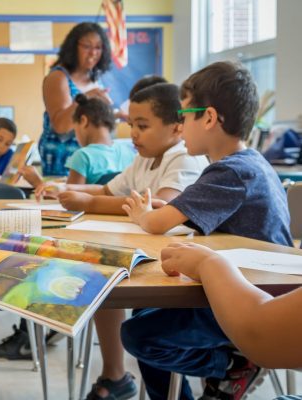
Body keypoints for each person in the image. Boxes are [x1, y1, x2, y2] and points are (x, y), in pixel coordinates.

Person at [121, 62, 293, 400]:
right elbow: (181, 215)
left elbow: (157, 222)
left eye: (184, 117)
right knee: (143, 313)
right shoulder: (251, 162)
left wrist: (142, 211)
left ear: (210, 118)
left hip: (253, 299)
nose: (180, 126)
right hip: (250, 285)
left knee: (140, 336)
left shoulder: (230, 172)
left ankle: (231, 366)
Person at [41, 83, 208, 215]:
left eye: (142, 126)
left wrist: (90, 203)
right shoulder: (145, 157)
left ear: (176, 128)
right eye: (131, 125)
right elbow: (106, 191)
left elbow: (160, 204)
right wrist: (66, 188)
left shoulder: (183, 157)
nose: (133, 133)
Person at [160, 242, 302, 372]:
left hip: (256, 308)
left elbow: (266, 337)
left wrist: (207, 262)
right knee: (146, 324)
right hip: (259, 297)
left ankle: (234, 367)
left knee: (146, 334)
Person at [38, 22, 113, 178]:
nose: (93, 53)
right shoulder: (58, 77)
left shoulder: (95, 80)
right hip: (62, 160)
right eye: (87, 46)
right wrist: (85, 97)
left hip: (90, 159)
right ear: (73, 47)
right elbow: (60, 125)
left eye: (98, 48)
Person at [21, 93, 135, 186]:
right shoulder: (128, 150)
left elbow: (69, 200)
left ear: (83, 121)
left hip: (90, 214)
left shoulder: (83, 156)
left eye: (75, 130)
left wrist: (37, 183)